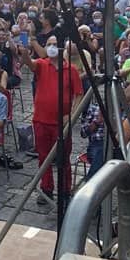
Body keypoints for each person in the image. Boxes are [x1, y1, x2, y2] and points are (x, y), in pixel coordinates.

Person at [20, 35, 83, 206]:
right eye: (48, 44)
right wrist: (25, 49)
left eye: (55, 44)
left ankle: (65, 190)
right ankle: (46, 188)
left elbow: (79, 94)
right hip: (41, 119)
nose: (51, 47)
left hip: (61, 123)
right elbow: (29, 63)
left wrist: (72, 115)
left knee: (63, 158)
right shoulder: (42, 64)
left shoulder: (71, 70)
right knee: (43, 156)